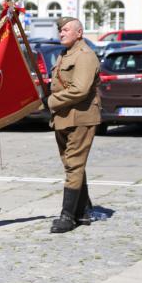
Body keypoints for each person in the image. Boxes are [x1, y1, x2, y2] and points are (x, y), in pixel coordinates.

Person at [42, 17, 100, 234]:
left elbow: (80, 89)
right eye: (60, 30)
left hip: (81, 117)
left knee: (73, 165)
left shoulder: (85, 55)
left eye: (66, 30)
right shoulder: (65, 54)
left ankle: (68, 216)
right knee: (72, 164)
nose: (62, 33)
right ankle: (83, 210)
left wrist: (50, 101)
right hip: (64, 117)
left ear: (79, 33)